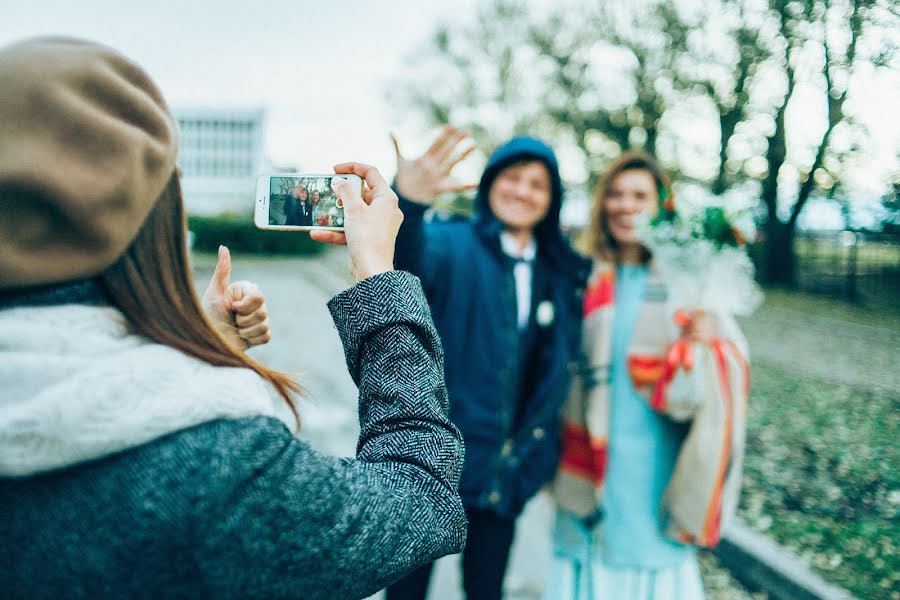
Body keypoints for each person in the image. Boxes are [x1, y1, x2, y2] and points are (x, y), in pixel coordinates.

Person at [0, 37, 466, 599]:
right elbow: (422, 498)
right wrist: (376, 279)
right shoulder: (216, 463)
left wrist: (184, 348)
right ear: (156, 217)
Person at [386, 126, 591, 600]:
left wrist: (537, 455)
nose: (522, 191)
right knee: (405, 591)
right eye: (512, 177)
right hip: (430, 463)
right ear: (490, 183)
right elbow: (401, 267)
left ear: (552, 200)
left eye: (537, 184)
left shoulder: (559, 272)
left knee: (485, 590)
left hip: (505, 470)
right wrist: (408, 205)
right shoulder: (449, 243)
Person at [545, 152, 750, 599]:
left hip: (652, 467)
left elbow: (730, 363)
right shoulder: (583, 274)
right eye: (615, 195)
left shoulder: (688, 282)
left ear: (662, 205)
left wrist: (709, 342)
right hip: (583, 457)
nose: (625, 205)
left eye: (639, 195)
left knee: (644, 566)